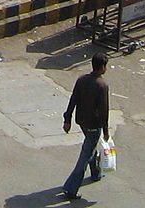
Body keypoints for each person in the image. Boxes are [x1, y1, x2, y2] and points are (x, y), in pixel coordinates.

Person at [61, 53, 111, 199]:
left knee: (91, 147)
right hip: (94, 125)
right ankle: (70, 188)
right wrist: (106, 130)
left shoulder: (82, 80)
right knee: (85, 155)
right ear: (102, 67)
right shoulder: (102, 85)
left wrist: (67, 119)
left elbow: (73, 99)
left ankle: (95, 173)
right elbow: (104, 110)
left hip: (81, 121)